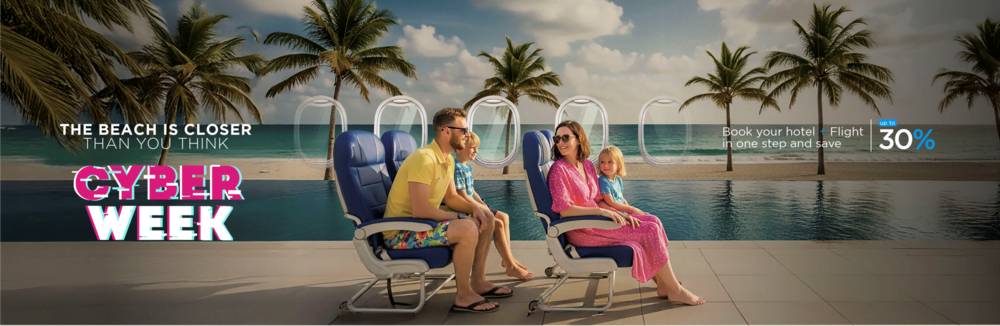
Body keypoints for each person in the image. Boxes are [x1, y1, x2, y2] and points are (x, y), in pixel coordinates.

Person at [546, 120, 706, 306]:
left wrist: (619, 213)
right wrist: (601, 212)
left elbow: (598, 198)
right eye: (557, 138)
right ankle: (675, 290)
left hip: (599, 221)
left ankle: (662, 283)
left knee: (653, 221)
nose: (560, 142)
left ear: (579, 139)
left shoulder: (587, 165)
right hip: (584, 229)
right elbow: (564, 210)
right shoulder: (559, 170)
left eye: (565, 137)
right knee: (649, 231)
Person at [382, 108, 512, 313]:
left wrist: (474, 209)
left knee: (487, 217)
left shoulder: (447, 158)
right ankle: (463, 295)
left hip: (421, 226)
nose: (467, 134)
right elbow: (420, 210)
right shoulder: (424, 159)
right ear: (446, 131)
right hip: (401, 233)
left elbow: (451, 197)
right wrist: (460, 217)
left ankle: (478, 281)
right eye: (464, 130)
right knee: (468, 228)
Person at [454, 131, 534, 280]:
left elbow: (472, 191)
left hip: (475, 204)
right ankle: (510, 265)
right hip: (466, 207)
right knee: (497, 224)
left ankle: (507, 257)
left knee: (504, 216)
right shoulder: (456, 168)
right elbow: (463, 196)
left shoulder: (467, 167)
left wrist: (484, 205)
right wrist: (481, 208)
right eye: (472, 148)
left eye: (477, 148)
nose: (476, 151)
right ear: (459, 149)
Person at [596, 145, 646, 216]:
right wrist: (631, 209)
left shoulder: (618, 179)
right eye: (602, 162)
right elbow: (611, 202)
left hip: (624, 213)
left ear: (618, 164)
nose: (606, 165)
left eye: (610, 162)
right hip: (615, 216)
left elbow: (621, 198)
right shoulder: (603, 180)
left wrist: (630, 210)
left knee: (651, 217)